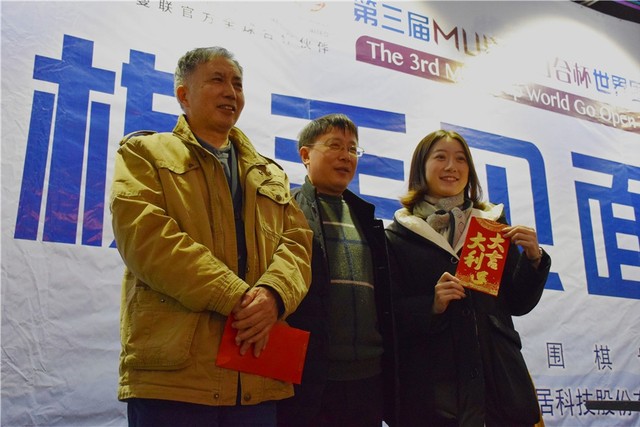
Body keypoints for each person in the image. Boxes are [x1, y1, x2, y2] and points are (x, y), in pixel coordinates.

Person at [110, 46, 313, 427]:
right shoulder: (143, 153)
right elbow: (146, 237)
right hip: (175, 375)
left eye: (237, 84)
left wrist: (273, 295)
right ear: (183, 94)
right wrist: (236, 296)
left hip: (255, 367)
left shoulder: (270, 173)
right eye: (217, 80)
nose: (230, 92)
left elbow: (297, 244)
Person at [385, 130, 550, 427]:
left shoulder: (490, 225)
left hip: (498, 391)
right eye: (441, 157)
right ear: (421, 167)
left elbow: (517, 303)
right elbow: (388, 314)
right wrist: (431, 306)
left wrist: (534, 259)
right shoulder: (397, 236)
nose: (452, 167)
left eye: (461, 159)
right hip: (433, 396)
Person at [276, 114, 397, 427]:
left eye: (353, 149)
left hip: (368, 379)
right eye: (335, 145)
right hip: (307, 379)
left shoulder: (367, 219)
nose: (346, 156)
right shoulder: (285, 210)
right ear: (305, 155)